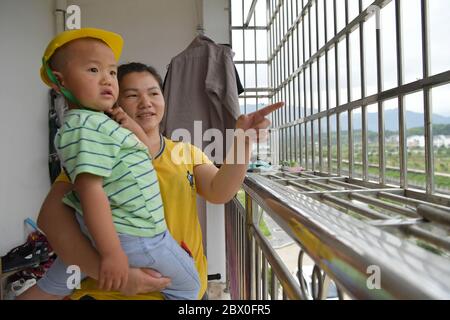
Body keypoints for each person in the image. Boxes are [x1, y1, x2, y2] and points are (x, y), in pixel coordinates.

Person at [20, 60, 283, 300]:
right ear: (114, 103)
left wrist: (243, 141)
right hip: (111, 293)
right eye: (132, 95)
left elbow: (220, 191)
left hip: (185, 288)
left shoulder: (184, 152)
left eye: (154, 93)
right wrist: (114, 276)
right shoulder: (99, 153)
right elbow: (50, 218)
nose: (146, 102)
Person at [21, 28, 201, 300]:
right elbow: (89, 191)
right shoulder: (86, 129)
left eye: (112, 72)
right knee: (190, 285)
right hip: (137, 237)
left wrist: (128, 126)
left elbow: (142, 154)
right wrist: (111, 253)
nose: (106, 79)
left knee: (54, 284)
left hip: (114, 236)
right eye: (93, 70)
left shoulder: (103, 127)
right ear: (61, 83)